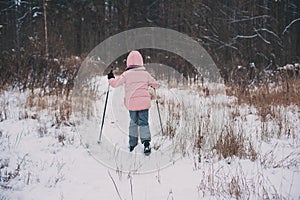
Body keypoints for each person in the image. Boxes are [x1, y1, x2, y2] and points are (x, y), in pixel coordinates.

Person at [107, 50, 159, 154]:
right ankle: (146, 144)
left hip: (132, 104)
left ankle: (132, 144)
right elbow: (156, 84)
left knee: (133, 123)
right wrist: (152, 85)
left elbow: (115, 84)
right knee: (144, 123)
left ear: (128, 63)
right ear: (141, 62)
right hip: (144, 104)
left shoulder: (126, 74)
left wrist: (110, 77)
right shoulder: (145, 74)